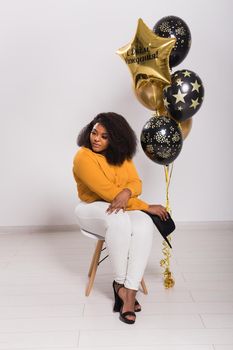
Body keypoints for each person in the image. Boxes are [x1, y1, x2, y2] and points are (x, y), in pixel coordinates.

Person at [73, 112, 168, 324]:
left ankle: (130, 291)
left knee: (143, 223)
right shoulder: (83, 157)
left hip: (119, 206)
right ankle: (119, 284)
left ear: (115, 139)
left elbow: (137, 184)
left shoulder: (122, 156)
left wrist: (126, 193)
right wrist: (143, 205)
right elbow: (108, 194)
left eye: (104, 136)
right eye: (94, 133)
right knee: (119, 220)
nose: (96, 139)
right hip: (90, 208)